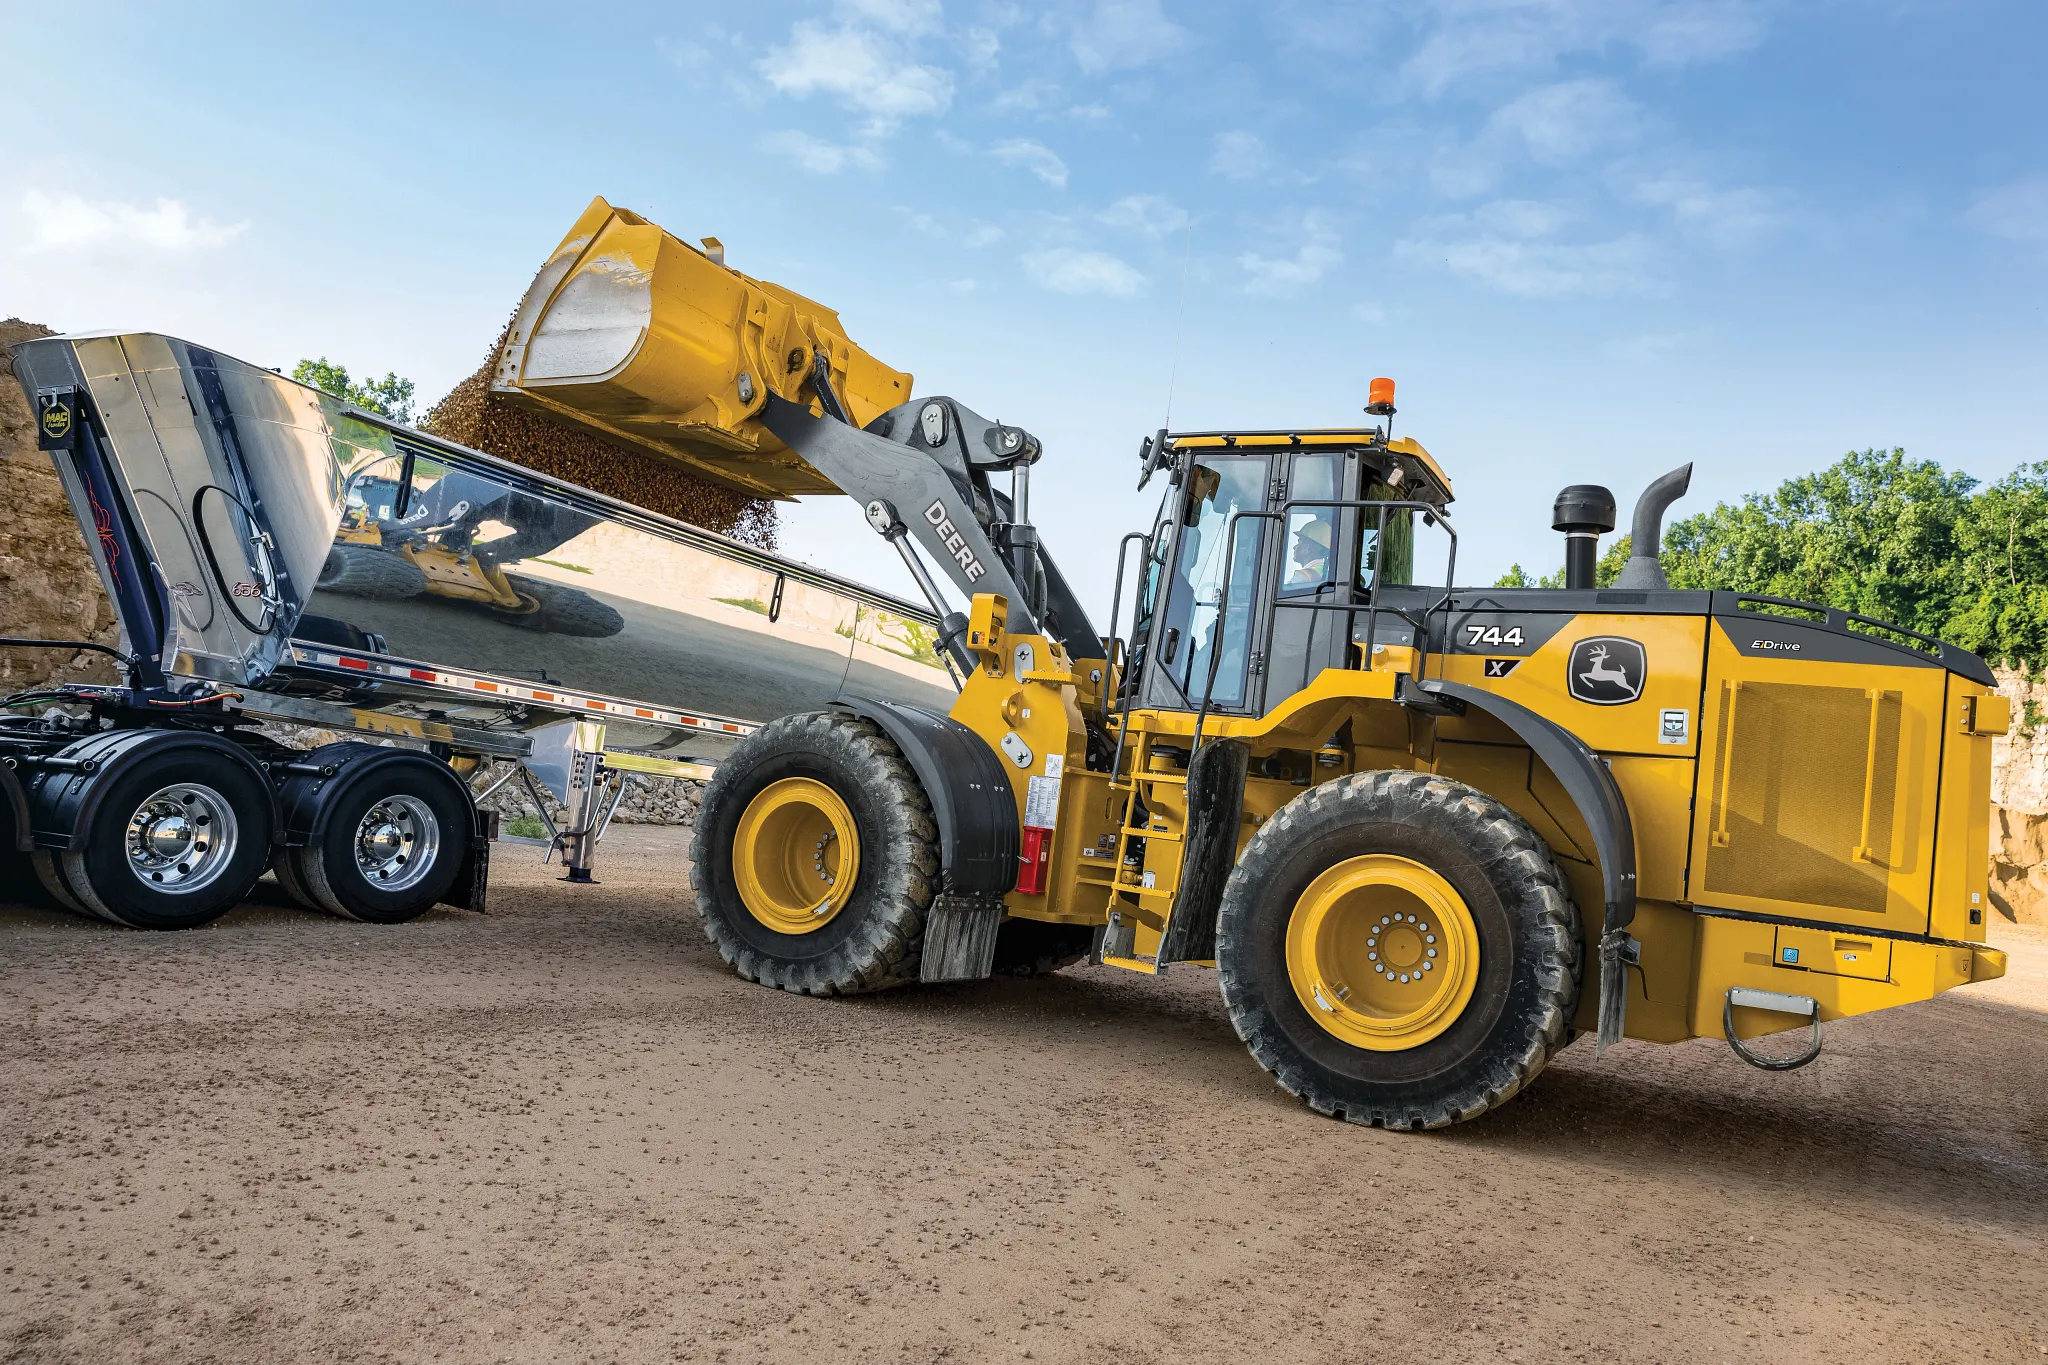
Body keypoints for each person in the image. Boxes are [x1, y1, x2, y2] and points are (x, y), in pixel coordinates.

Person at [1287, 517, 1332, 588]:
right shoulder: (1324, 571)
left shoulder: (1304, 576)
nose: (1294, 547)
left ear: (1307, 547)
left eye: (1299, 542)